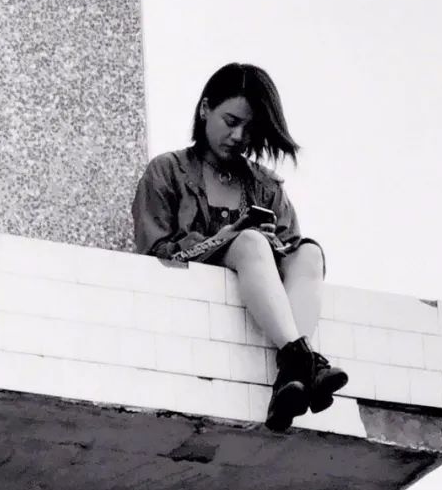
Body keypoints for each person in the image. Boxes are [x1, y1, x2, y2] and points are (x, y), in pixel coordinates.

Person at [132, 62, 348, 432]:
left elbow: (291, 256)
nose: (238, 136)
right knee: (248, 241)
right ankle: (304, 364)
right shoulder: (167, 171)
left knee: (310, 253)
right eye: (231, 121)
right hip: (193, 307)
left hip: (259, 288)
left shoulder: (266, 186)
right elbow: (154, 254)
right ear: (205, 109)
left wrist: (271, 242)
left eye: (249, 128)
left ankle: (293, 370)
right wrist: (227, 236)